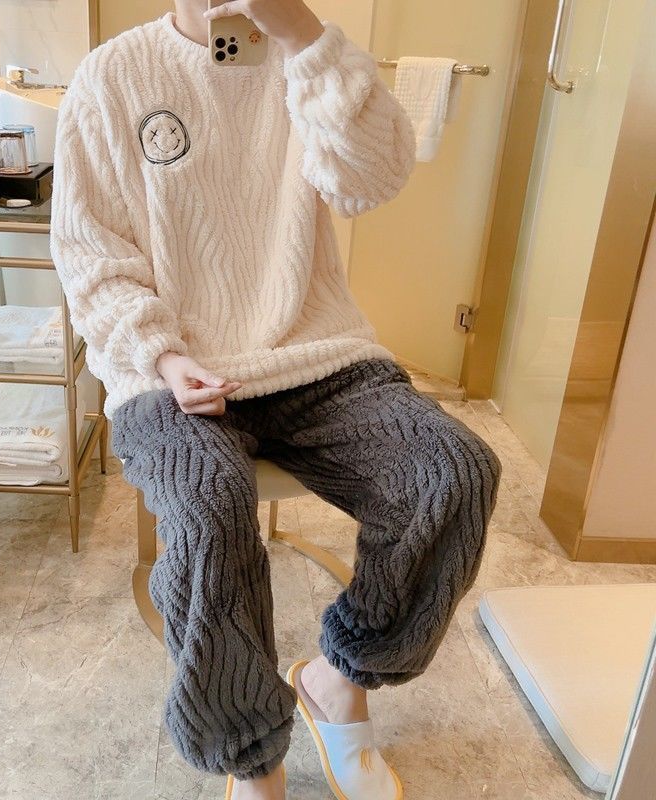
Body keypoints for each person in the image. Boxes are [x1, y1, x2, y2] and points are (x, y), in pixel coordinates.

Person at [50, 1, 502, 798]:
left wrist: (301, 35)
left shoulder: (307, 54)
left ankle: (339, 680)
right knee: (208, 506)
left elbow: (371, 180)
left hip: (314, 355)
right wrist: (164, 354)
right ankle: (253, 761)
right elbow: (90, 256)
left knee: (452, 472)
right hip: (167, 370)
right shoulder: (112, 76)